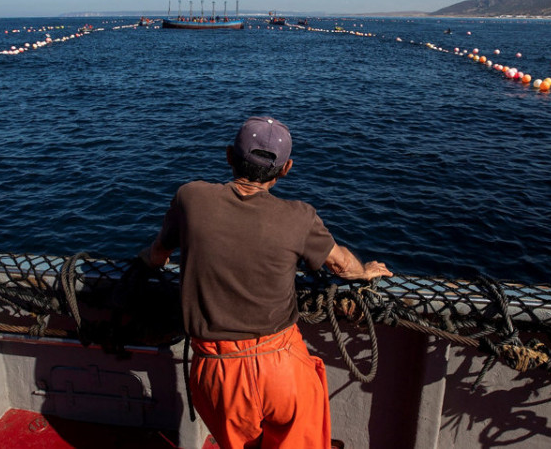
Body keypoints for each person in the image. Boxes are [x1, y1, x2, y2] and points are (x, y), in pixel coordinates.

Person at [139, 116, 392, 448]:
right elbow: (342, 265)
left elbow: (158, 255)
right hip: (283, 367)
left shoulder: (190, 198)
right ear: (286, 169)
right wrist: (365, 271)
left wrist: (142, 262)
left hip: (218, 371)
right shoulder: (300, 216)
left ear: (229, 155)